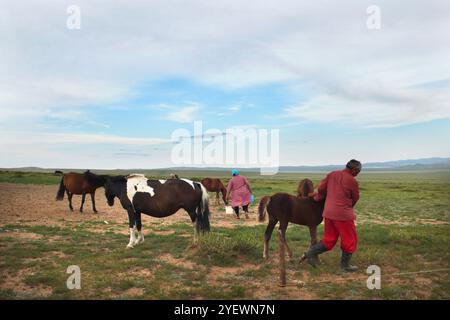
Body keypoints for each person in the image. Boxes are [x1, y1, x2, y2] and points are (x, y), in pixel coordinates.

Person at [305, 159, 362, 272]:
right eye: (358, 171)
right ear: (354, 170)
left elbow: (321, 189)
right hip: (343, 215)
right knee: (350, 239)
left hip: (329, 213)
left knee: (329, 240)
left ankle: (310, 254)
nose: (358, 173)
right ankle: (345, 265)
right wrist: (348, 207)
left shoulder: (332, 174)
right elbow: (355, 198)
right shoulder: (352, 181)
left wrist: (318, 197)